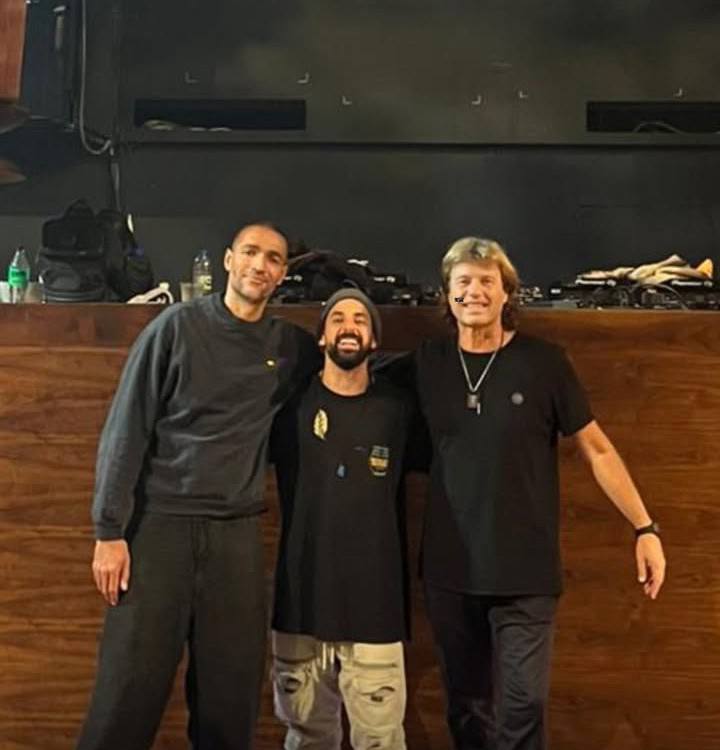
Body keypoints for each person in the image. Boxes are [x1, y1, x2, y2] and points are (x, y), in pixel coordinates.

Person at [410, 237, 666, 750]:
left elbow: (597, 449)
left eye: (487, 281)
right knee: (466, 705)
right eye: (463, 281)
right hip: (450, 570)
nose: (475, 291)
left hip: (525, 573)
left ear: (507, 293)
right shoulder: (426, 363)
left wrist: (645, 527)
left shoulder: (544, 363)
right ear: (447, 294)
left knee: (524, 704)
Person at [76, 222, 321, 750]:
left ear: (282, 275)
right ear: (228, 261)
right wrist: (109, 530)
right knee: (127, 692)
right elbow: (127, 428)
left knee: (230, 699)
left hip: (236, 536)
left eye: (273, 259)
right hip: (159, 530)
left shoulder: (289, 347)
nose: (260, 265)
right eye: (251, 253)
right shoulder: (176, 328)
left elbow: (350, 369)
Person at [270, 288, 414, 750]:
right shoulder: (288, 407)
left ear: (374, 341)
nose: (348, 327)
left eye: (360, 320)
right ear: (321, 337)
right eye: (337, 319)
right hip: (300, 602)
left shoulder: (399, 411)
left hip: (375, 606)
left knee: (380, 739)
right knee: (307, 737)